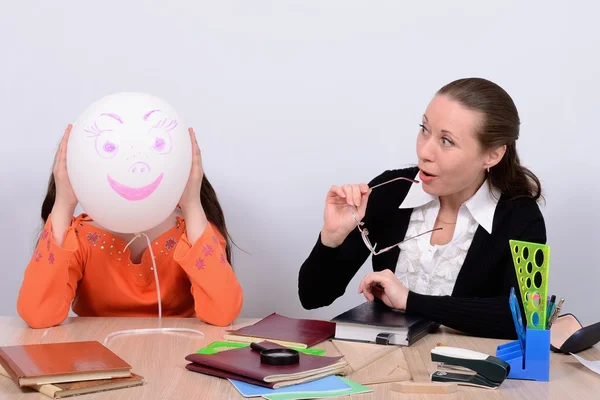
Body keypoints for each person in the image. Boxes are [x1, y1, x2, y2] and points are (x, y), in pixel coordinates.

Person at [298, 77, 545, 339]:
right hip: (383, 367)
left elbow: (522, 317)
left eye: (446, 141)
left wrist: (410, 301)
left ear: (492, 155)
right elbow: (313, 297)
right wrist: (331, 238)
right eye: (424, 129)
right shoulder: (388, 192)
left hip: (467, 373)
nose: (424, 151)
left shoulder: (520, 217)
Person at [17, 125, 243, 328]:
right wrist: (63, 203)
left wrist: (192, 204)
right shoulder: (80, 236)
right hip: (97, 362)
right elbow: (38, 315)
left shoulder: (192, 231)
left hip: (179, 358)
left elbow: (222, 313)